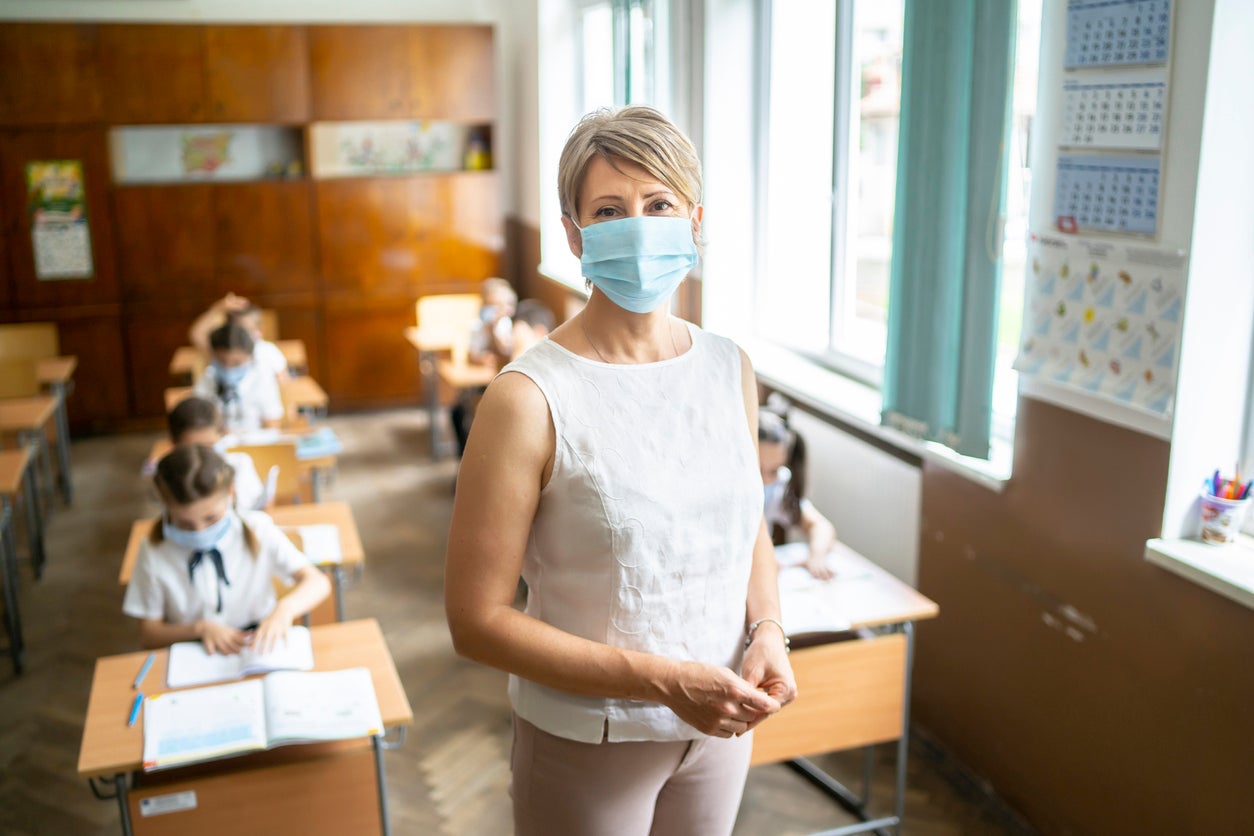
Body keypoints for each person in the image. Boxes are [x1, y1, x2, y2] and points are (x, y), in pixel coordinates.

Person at [444, 106, 796, 836]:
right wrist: (664, 680)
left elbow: (744, 524)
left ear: (694, 219)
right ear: (574, 235)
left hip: (718, 723)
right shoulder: (527, 398)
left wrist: (768, 629)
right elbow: (475, 622)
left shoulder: (729, 367)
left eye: (659, 203)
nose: (638, 224)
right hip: (589, 736)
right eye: (610, 209)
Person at [123, 445, 330, 654]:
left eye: (211, 518)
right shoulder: (152, 551)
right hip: (193, 649)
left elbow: (318, 581)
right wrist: (199, 628)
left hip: (257, 642)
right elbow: (149, 634)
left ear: (231, 492)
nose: (199, 531)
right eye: (185, 523)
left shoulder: (258, 527)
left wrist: (285, 609)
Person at [451, 298, 555, 456]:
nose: (513, 338)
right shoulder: (488, 331)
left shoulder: (544, 369)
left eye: (518, 332)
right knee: (458, 411)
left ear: (539, 332)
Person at [758, 407, 838, 580]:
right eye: (758, 469)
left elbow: (821, 527)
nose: (764, 479)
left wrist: (816, 557)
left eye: (773, 470)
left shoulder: (775, 488)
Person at [160, 396, 266, 511]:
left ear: (221, 436)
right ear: (174, 444)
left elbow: (259, 506)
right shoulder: (167, 480)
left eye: (210, 446)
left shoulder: (240, 464)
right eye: (194, 448)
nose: (204, 454)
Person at [193, 321, 285, 433]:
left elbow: (271, 425)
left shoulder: (262, 378)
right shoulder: (207, 379)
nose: (228, 368)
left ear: (250, 357)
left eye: (236, 363)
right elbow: (199, 423)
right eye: (222, 362)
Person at [190, 293, 290, 381]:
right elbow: (196, 334)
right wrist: (219, 308)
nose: (239, 337)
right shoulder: (222, 353)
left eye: (245, 331)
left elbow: (285, 383)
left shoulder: (268, 351)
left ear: (259, 331)